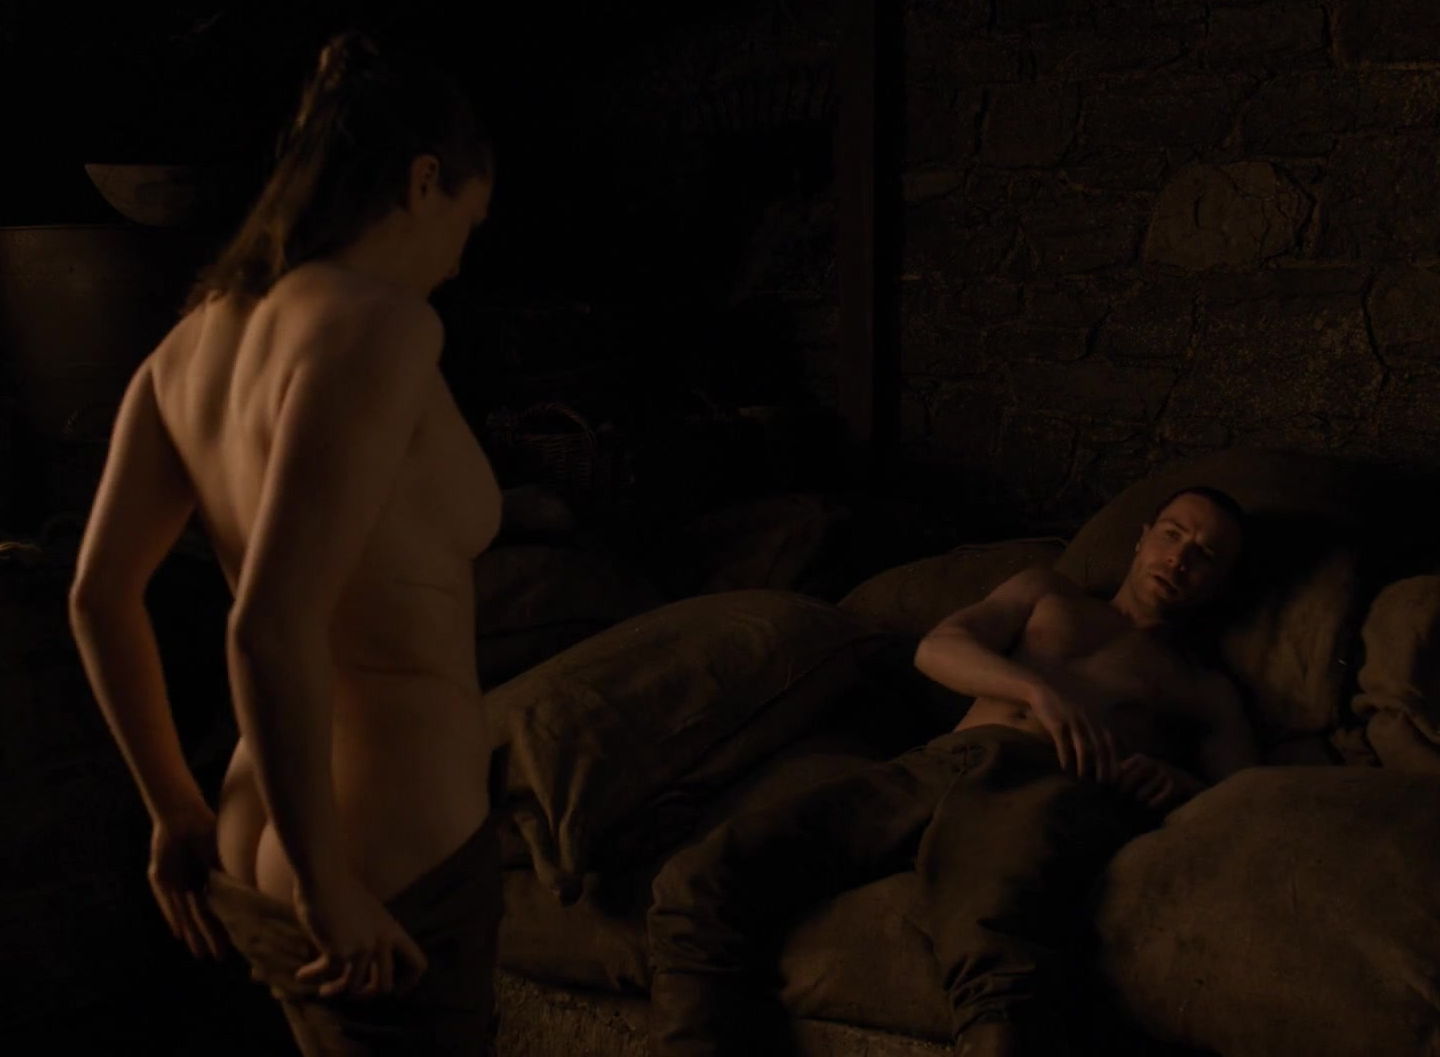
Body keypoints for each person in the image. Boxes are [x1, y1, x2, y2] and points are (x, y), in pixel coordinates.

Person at [67, 29, 503, 1056]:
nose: (457, 261)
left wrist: (173, 810)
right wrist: (326, 883)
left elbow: (98, 594)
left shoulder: (189, 345)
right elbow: (269, 624)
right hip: (377, 850)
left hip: (252, 820)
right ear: (423, 181)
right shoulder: (383, 324)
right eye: (467, 223)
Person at [647, 487, 1260, 1057]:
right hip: (935, 765)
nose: (1180, 558)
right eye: (1173, 534)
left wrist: (1180, 786)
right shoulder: (1047, 591)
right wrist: (1037, 690)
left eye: (1205, 554)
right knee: (703, 877)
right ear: (1143, 536)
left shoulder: (1203, 688)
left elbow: (1244, 801)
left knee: (998, 958)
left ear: (1222, 581)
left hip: (1040, 789)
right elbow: (937, 648)